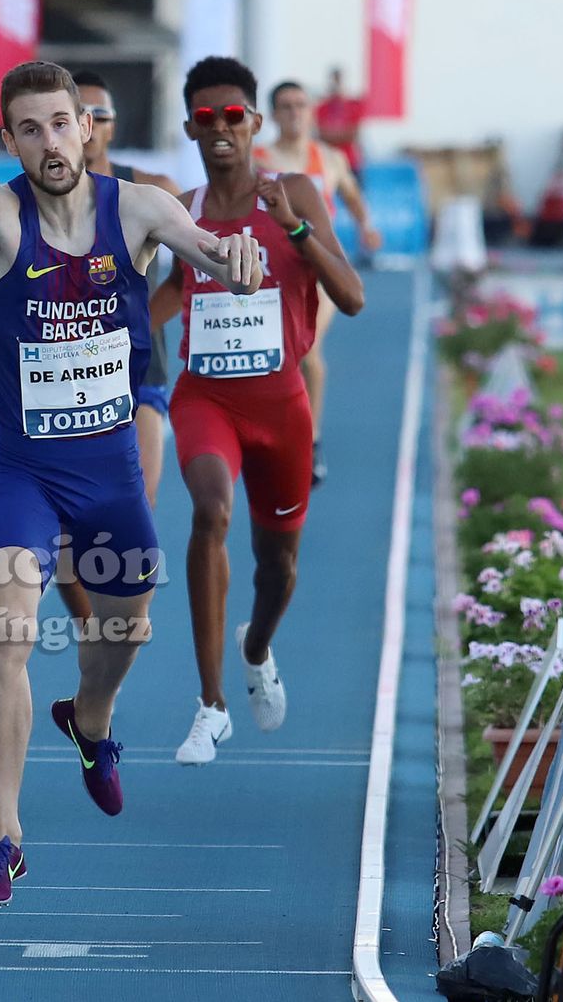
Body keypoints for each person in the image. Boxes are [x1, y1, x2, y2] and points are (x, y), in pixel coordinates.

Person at [0, 60, 263, 910]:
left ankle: (90, 719)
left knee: (128, 629)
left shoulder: (141, 208)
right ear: (10, 141)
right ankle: (5, 837)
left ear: (87, 125)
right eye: (30, 129)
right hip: (22, 470)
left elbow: (214, 260)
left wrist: (238, 258)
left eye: (62, 122)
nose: (51, 142)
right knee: (8, 632)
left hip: (111, 468)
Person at [151, 57, 363, 766]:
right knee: (209, 511)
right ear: (189, 127)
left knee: (279, 567)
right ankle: (209, 706)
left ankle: (257, 646)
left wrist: (296, 229)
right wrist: (101, 338)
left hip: (282, 407)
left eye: (232, 116)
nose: (219, 129)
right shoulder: (183, 212)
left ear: (255, 124)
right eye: (205, 118)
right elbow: (169, 297)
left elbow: (353, 296)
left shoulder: (295, 190)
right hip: (206, 397)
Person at [255, 79, 381, 487]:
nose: (294, 113)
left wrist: (366, 227)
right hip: (272, 269)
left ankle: (311, 440)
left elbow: (352, 195)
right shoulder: (258, 158)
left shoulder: (328, 158)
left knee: (307, 349)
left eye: (300, 105)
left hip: (319, 269)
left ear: (311, 112)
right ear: (272, 114)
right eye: (286, 106)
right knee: (274, 354)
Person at [72, 70, 181, 507]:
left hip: (139, 374)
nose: (89, 124)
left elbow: (194, 271)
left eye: (99, 115)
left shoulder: (153, 190)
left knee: (135, 509)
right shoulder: (31, 201)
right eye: (78, 114)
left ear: (113, 125)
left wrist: (133, 330)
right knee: (70, 535)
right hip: (64, 376)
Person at [314, 66, 365, 175]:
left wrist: (331, 135)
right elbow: (321, 135)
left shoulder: (354, 105)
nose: (336, 84)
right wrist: (341, 134)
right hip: (327, 161)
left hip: (350, 162)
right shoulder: (322, 107)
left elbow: (353, 134)